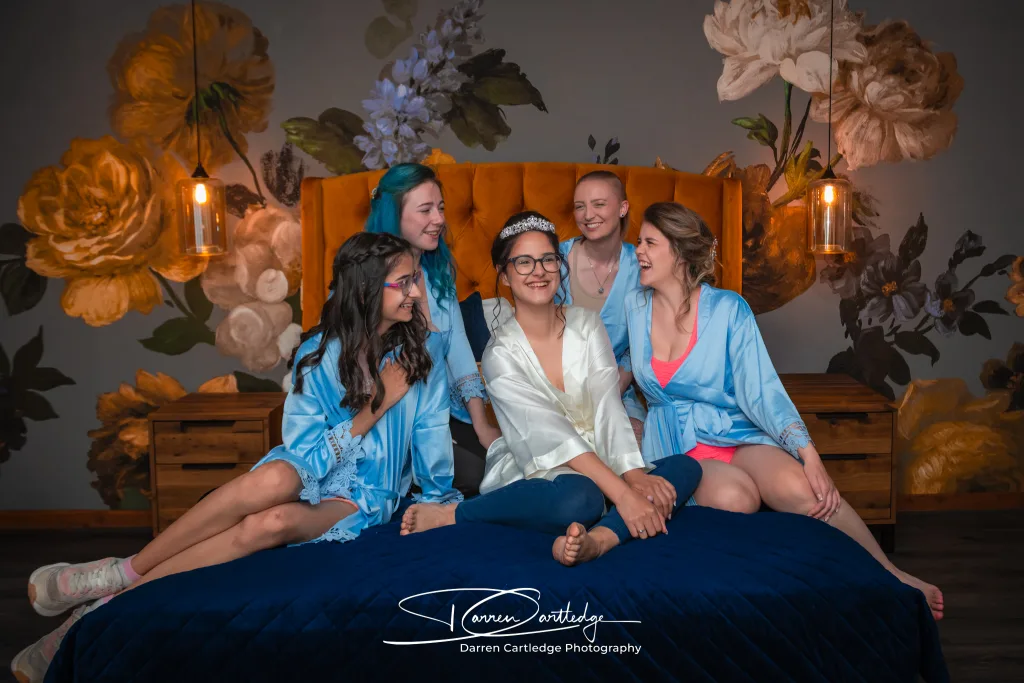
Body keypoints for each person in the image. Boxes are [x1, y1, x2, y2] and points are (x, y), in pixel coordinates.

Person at [12, 233, 462, 682]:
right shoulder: (316, 354)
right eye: (403, 283)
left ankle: (91, 616)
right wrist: (374, 410)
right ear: (365, 287)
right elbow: (304, 453)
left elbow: (432, 434)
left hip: (363, 494)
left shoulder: (423, 355)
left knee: (270, 524)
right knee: (275, 482)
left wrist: (440, 502)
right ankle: (120, 574)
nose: (416, 293)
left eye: (415, 280)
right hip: (309, 467)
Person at [624, 201, 944, 619]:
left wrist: (809, 455)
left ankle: (892, 574)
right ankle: (774, 583)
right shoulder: (634, 306)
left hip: (732, 432)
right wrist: (618, 425)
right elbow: (617, 366)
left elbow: (762, 391)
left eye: (649, 242)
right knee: (737, 498)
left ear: (680, 252)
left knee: (806, 491)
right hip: (676, 444)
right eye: (638, 242)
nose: (639, 252)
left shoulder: (727, 309)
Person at [399, 211, 703, 566]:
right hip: (540, 468)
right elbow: (550, 436)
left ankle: (601, 540)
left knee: (686, 467)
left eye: (547, 259)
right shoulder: (500, 354)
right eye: (524, 263)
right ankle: (456, 514)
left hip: (604, 454)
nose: (539, 271)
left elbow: (608, 405)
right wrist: (624, 493)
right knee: (580, 498)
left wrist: (634, 476)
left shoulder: (588, 325)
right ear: (505, 274)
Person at [366, 163, 501, 495]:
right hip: (390, 422)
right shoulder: (365, 281)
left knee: (505, 464)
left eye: (440, 208)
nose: (439, 219)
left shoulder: (437, 273)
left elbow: (457, 350)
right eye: (425, 209)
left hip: (443, 411)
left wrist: (482, 424)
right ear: (393, 214)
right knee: (478, 476)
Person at [558, 170, 645, 442]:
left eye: (599, 204)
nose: (587, 215)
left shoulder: (643, 265)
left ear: (622, 208)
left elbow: (640, 343)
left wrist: (611, 394)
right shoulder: (554, 259)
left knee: (633, 443)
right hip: (557, 389)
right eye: (579, 206)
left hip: (618, 387)